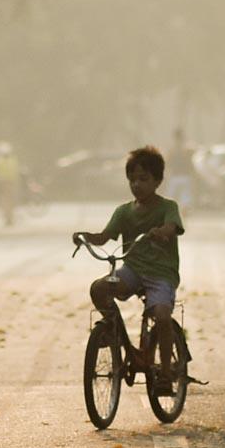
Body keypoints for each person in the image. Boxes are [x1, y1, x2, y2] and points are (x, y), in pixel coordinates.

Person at [76, 146, 185, 396]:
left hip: (161, 274)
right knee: (99, 288)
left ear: (157, 180)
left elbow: (172, 227)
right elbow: (104, 237)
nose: (137, 185)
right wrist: (85, 237)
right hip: (133, 270)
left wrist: (162, 233)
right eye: (132, 180)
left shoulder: (167, 207)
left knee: (163, 315)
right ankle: (112, 334)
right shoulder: (123, 211)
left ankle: (166, 375)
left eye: (144, 179)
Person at [167, 128, 196, 211]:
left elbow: (168, 164)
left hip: (175, 176)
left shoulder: (173, 150)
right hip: (184, 176)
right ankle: (184, 210)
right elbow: (190, 164)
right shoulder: (186, 150)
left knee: (172, 195)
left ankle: (175, 211)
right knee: (185, 196)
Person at [0, 142, 20, 227]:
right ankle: (9, 218)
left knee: (5, 201)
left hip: (3, 182)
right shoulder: (12, 160)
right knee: (10, 201)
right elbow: (16, 172)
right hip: (10, 182)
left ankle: (7, 218)